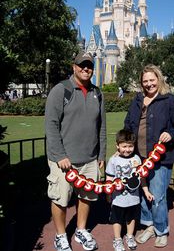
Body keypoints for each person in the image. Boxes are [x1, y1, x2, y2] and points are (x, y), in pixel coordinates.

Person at [45, 52, 106, 251]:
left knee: (86, 197)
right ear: (74, 67)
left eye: (89, 65)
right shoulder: (61, 90)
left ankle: (80, 230)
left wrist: (101, 155)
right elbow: (51, 125)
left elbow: (102, 127)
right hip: (64, 161)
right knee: (60, 199)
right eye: (82, 65)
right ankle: (61, 236)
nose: (86, 69)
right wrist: (60, 155)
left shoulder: (98, 92)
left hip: (89, 159)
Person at [124, 64, 174, 248]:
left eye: (152, 80)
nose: (149, 84)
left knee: (158, 196)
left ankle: (161, 230)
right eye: (145, 81)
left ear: (158, 79)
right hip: (139, 157)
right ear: (141, 83)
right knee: (143, 194)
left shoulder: (169, 100)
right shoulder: (137, 101)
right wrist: (124, 145)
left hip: (161, 157)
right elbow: (128, 124)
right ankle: (148, 226)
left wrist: (171, 134)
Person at [106, 129, 154, 251]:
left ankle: (129, 236)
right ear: (117, 146)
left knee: (131, 218)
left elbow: (141, 177)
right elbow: (109, 178)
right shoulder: (113, 160)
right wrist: (108, 193)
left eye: (130, 146)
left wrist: (146, 191)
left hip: (133, 198)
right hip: (118, 198)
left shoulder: (137, 159)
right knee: (117, 219)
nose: (127, 149)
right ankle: (117, 239)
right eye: (124, 146)